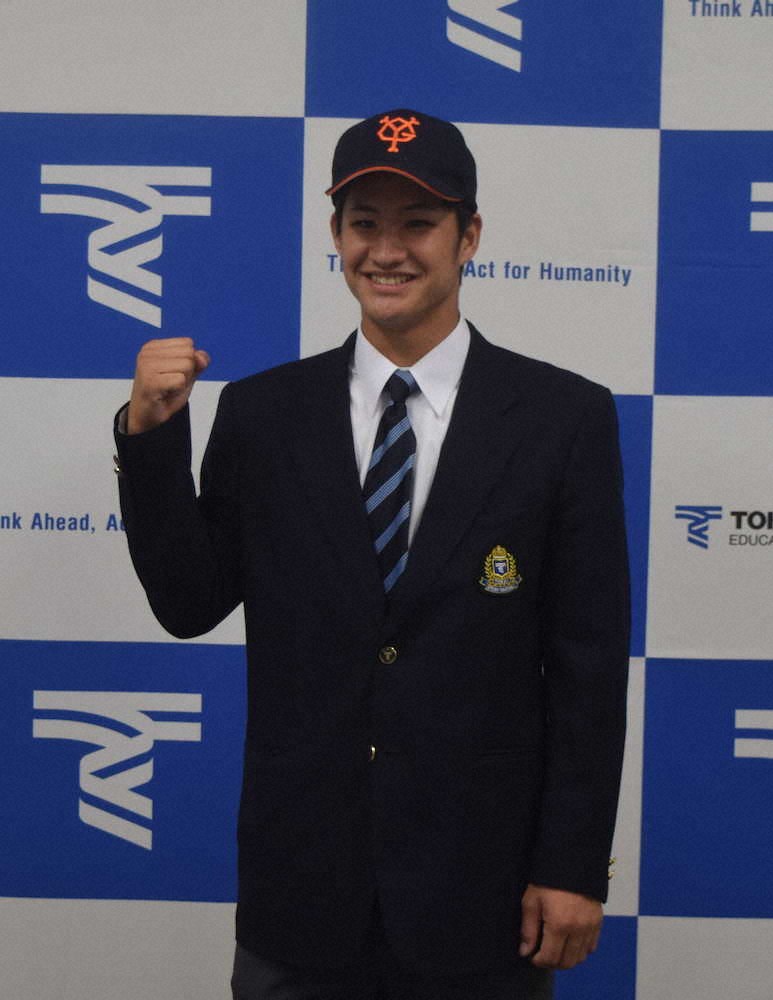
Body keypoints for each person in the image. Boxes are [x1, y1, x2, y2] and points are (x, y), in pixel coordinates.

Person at [114, 109, 630, 999]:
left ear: (469, 237)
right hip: (300, 891)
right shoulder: (262, 413)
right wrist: (151, 439)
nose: (386, 251)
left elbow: (587, 666)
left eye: (417, 223)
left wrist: (572, 866)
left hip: (482, 896)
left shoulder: (563, 418)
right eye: (364, 224)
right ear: (335, 235)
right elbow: (187, 604)